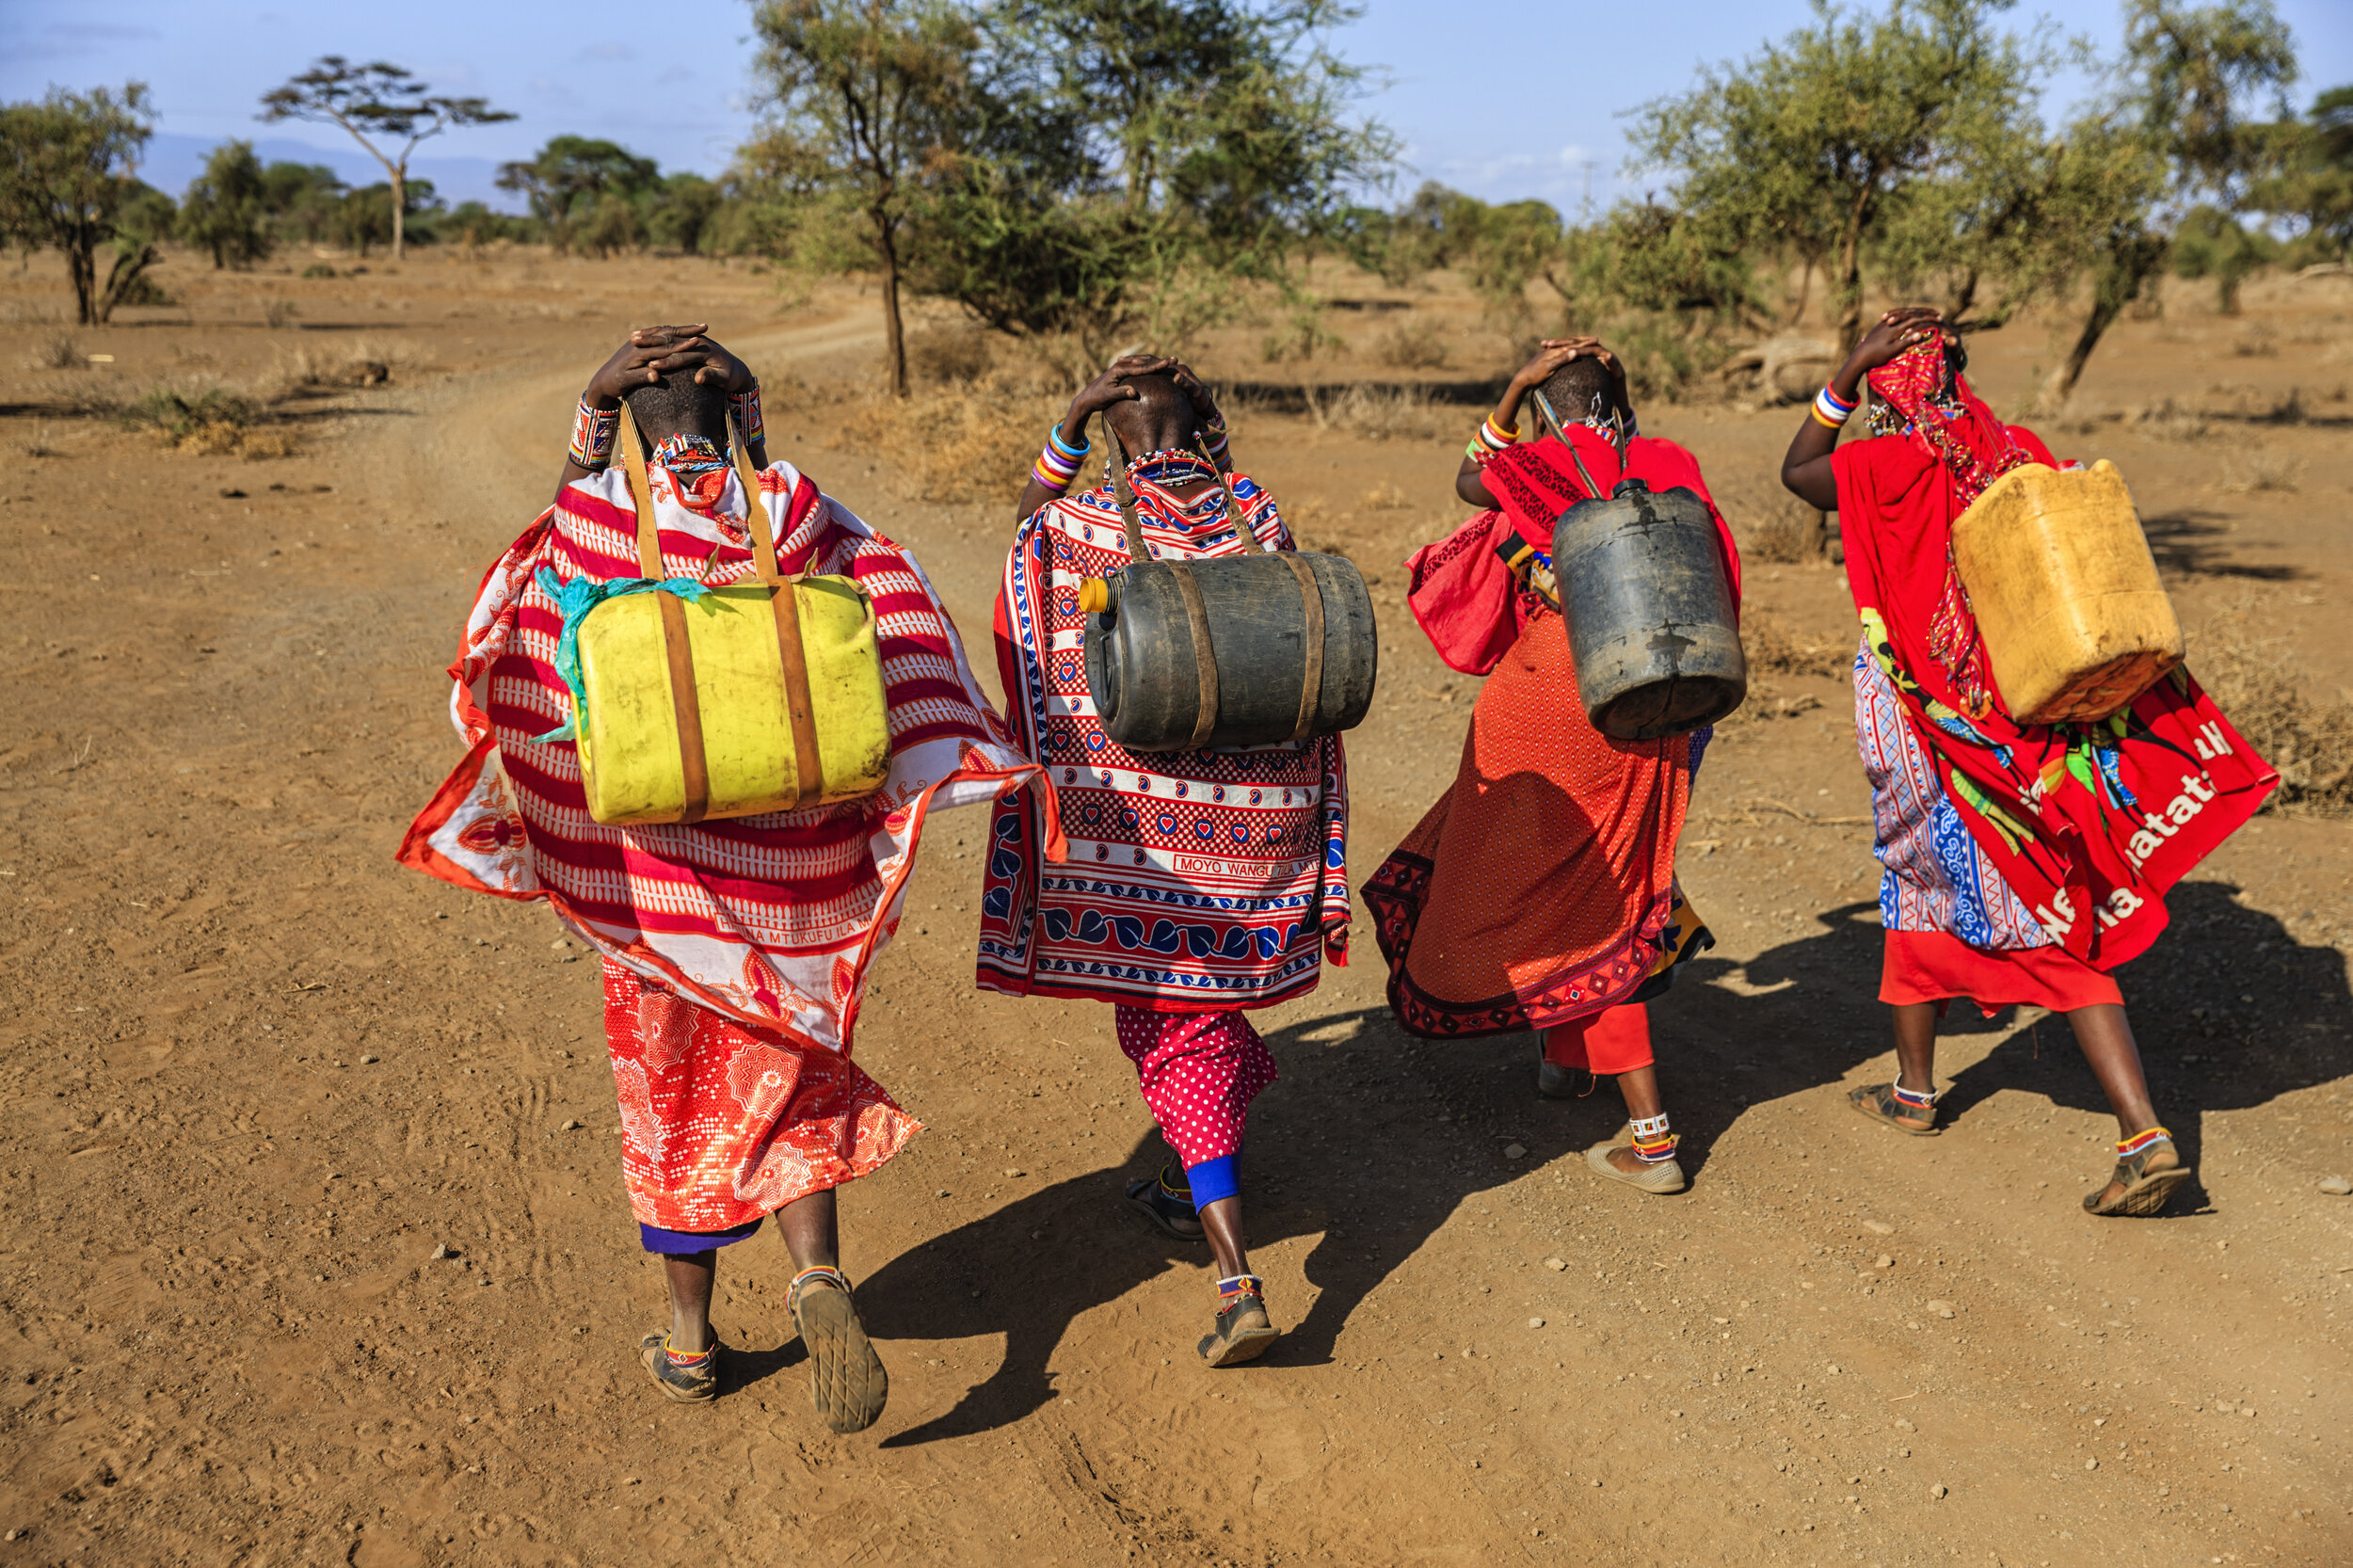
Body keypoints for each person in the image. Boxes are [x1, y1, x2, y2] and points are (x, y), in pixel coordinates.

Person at [400, 325, 1051, 1427]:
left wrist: (591, 411)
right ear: (736, 416)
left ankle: (693, 1342)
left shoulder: (601, 517)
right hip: (793, 874)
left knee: (672, 1092)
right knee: (791, 1061)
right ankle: (817, 1277)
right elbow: (896, 617)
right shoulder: (793, 510)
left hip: (661, 882)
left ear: (626, 429)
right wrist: (748, 420)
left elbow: (516, 610)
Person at [1779, 307, 2278, 1215]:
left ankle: (2143, 1134)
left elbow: (1796, 472)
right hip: (2021, 715)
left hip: (1927, 720)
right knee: (1930, 886)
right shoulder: (2020, 447)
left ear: (1888, 386)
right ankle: (1914, 1092)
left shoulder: (1881, 463)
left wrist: (1845, 374)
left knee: (2024, 907)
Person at [977, 357, 1350, 1366]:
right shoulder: (1256, 517)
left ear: (1115, 437)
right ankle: (1190, 1181)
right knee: (1213, 1018)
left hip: (1147, 854)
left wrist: (1066, 428)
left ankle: (1235, 1278)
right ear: (1201, 427)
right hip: (1257, 837)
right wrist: (1208, 428)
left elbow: (1021, 554)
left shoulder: (1091, 524)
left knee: (1177, 1032)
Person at [1363, 339, 1735, 1194]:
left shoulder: (1532, 463)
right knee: (1618, 878)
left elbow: (1469, 480)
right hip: (1659, 700)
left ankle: (1652, 1138)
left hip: (1546, 702)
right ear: (1620, 401)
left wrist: (1511, 395)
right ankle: (1566, 1062)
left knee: (1576, 901)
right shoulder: (1670, 463)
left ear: (1543, 412)